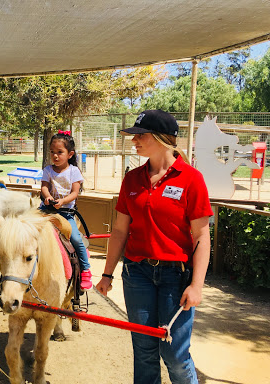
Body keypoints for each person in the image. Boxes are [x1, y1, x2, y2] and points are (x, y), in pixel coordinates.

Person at [96, 110, 212, 384]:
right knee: (144, 350)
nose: (133, 141)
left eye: (140, 136)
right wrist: (107, 273)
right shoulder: (132, 179)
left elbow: (201, 236)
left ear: (161, 139)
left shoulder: (191, 179)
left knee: (174, 353)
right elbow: (121, 230)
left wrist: (196, 285)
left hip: (176, 276)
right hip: (137, 275)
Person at [40, 130, 92, 290]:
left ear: (70, 154)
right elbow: (44, 187)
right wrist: (48, 197)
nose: (55, 156)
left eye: (59, 152)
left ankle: (86, 270)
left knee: (76, 239)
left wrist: (62, 201)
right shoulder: (48, 170)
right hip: (47, 210)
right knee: (27, 224)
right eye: (52, 152)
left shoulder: (74, 171)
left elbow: (75, 193)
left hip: (65, 213)